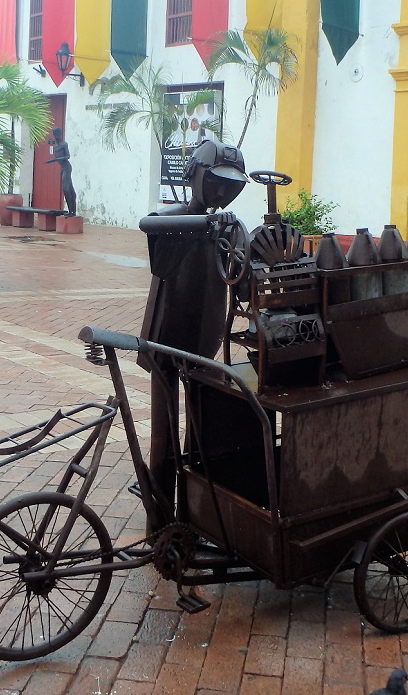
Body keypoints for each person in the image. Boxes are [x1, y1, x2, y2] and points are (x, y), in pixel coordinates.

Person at [137, 140, 248, 530]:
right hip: (166, 340)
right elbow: (158, 248)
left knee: (204, 430)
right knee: (163, 436)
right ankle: (161, 519)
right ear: (196, 178)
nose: (219, 194)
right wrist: (201, 227)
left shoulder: (228, 228)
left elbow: (242, 278)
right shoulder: (173, 220)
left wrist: (238, 248)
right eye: (214, 183)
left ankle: (195, 514)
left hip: (204, 342)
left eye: (228, 187)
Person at [45, 127, 77, 216]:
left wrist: (55, 160)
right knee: (69, 189)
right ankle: (72, 211)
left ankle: (72, 211)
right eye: (56, 134)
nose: (57, 136)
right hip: (62, 168)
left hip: (67, 167)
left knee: (66, 189)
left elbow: (68, 156)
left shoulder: (64, 144)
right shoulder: (55, 147)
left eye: (58, 134)